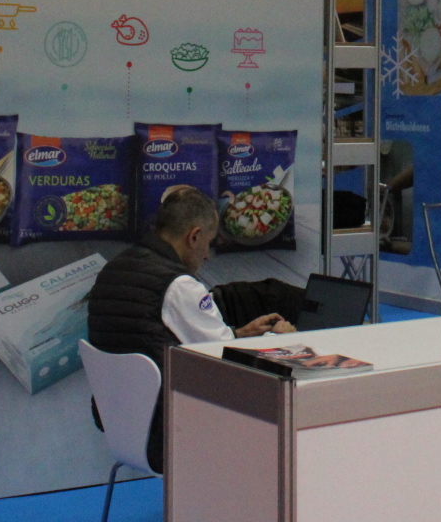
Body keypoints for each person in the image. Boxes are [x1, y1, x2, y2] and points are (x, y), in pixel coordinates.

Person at [86, 185, 304, 471]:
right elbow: (228, 364)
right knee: (278, 403)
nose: (207, 256)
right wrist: (281, 342)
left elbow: (157, 337)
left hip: (120, 425)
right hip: (167, 433)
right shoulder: (179, 286)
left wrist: (237, 335)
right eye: (209, 243)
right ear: (194, 236)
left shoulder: (113, 269)